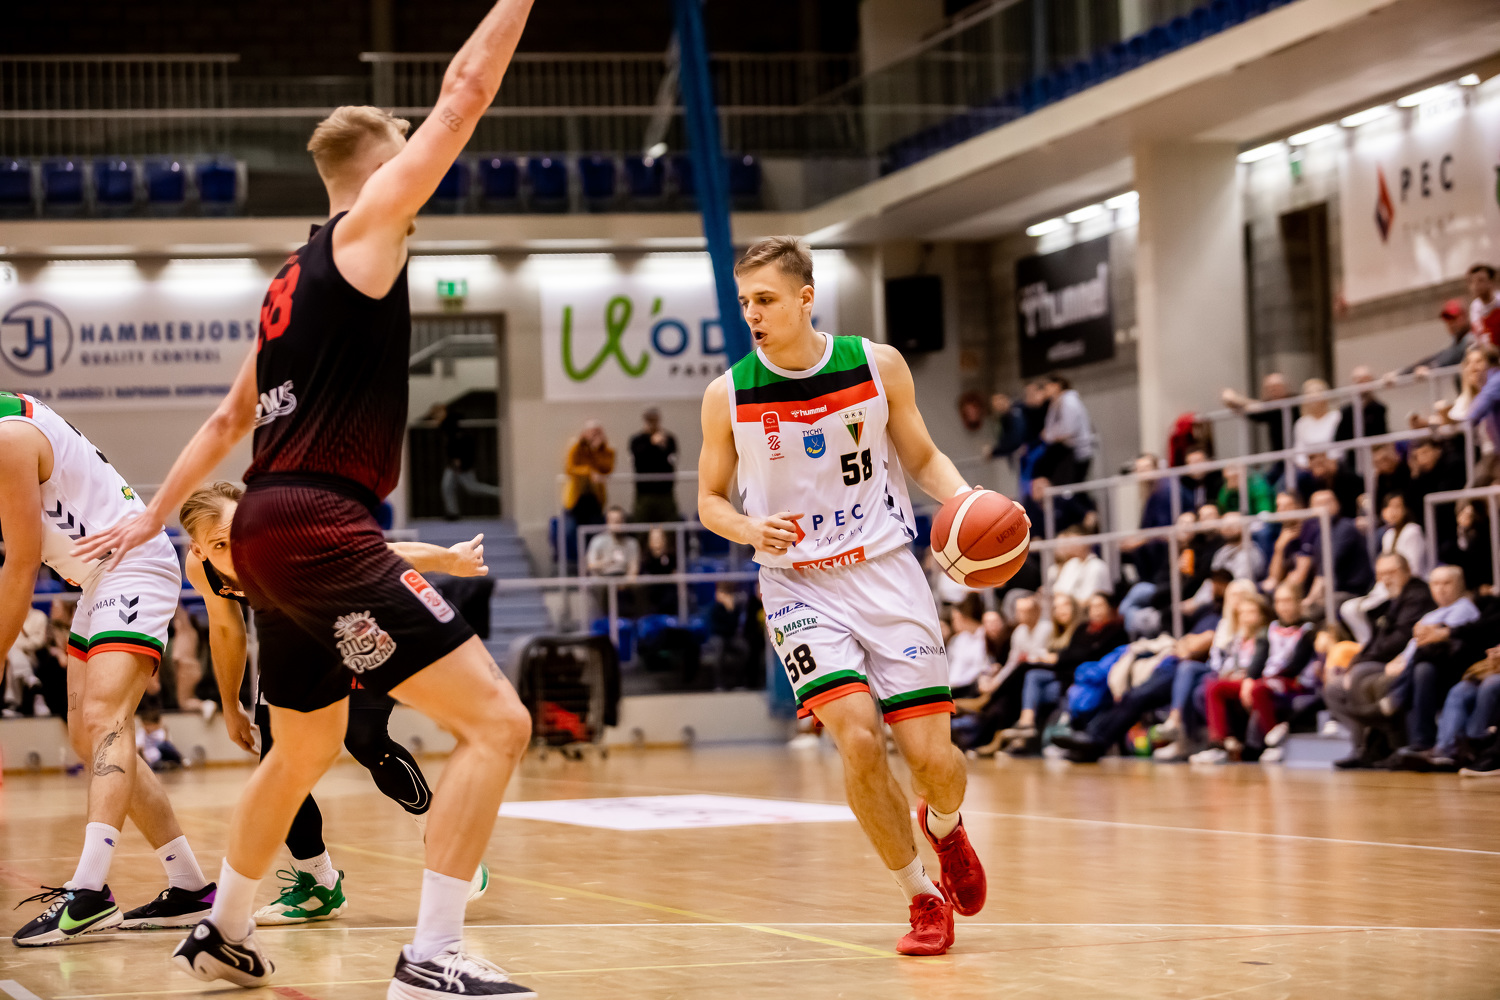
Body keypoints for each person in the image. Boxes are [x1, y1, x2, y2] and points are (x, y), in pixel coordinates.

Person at [78, 5, 541, 993]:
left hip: (264, 524)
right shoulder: (368, 233)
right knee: (500, 724)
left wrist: (151, 516)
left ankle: (223, 930)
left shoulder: (290, 281)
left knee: (304, 746)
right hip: (321, 522)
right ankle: (431, 957)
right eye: (407, 155)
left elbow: (225, 420)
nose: (422, 168)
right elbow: (465, 93)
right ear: (380, 171)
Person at [697, 236, 1003, 956]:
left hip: (887, 572)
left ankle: (945, 827)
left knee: (933, 760)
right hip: (797, 585)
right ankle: (920, 897)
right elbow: (708, 500)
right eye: (745, 302)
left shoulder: (876, 364)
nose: (753, 314)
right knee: (859, 739)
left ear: (806, 298)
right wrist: (747, 527)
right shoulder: (728, 394)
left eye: (766, 299)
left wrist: (968, 503)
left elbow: (922, 456)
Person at [176, 482, 492, 924]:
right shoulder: (201, 569)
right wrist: (231, 704)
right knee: (279, 766)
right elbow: (227, 629)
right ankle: (318, 885)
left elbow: (380, 553)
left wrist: (448, 560)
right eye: (219, 545)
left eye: (238, 532)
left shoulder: (285, 538)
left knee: (364, 737)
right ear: (198, 549)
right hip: (293, 639)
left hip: (358, 619)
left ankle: (448, 840)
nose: (236, 550)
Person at [1, 393, 217, 946]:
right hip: (99, 578)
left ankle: (89, 892)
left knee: (104, 719)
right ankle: (190, 886)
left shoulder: (9, 439)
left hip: (131, 566)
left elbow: (21, 565)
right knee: (85, 734)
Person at [1325, 553, 1436, 769]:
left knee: (1359, 677)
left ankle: (1381, 746)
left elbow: (1398, 640)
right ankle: (1364, 745)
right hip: (1382, 661)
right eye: (1381, 574)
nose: (1386, 579)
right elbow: (1374, 640)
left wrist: (1359, 666)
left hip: (1401, 662)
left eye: (1391, 572)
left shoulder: (1417, 596)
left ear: (1407, 571)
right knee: (1333, 688)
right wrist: (1353, 664)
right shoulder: (1393, 598)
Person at [1381, 566, 1481, 768]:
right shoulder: (1431, 615)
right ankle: (1394, 742)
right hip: (1425, 664)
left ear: (1460, 585)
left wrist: (1424, 639)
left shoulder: (1464, 608)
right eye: (1436, 584)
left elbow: (1434, 642)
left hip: (1453, 668)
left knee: (1422, 669)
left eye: (1447, 583)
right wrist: (1398, 661)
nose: (1441, 589)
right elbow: (1413, 646)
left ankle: (1420, 738)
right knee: (1417, 668)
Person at [1004, 592, 1126, 754]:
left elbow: (1084, 655)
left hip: (1089, 679)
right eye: (1092, 607)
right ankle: (1025, 725)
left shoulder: (1115, 630)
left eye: (1099, 606)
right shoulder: (1083, 628)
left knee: (1029, 678)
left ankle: (1029, 731)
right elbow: (1075, 654)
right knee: (1028, 677)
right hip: (1070, 676)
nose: (1095, 610)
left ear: (1111, 608)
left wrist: (1057, 658)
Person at [1341, 492, 1431, 645]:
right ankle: (1366, 644)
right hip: (1387, 587)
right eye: (1388, 507)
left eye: (1397, 507)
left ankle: (1375, 645)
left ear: (1405, 509)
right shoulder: (1388, 534)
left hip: (1411, 586)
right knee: (1348, 609)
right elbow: (1384, 565)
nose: (1392, 512)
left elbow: (1412, 569)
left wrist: (1391, 584)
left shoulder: (1412, 531)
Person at [431, 401, 500, 520]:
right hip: (455, 463)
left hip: (461, 462)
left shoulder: (451, 424)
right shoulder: (448, 425)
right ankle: (452, 512)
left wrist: (458, 460)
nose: (436, 417)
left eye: (437, 414)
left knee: (472, 487)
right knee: (447, 486)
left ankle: (501, 493)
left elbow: (459, 444)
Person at [1035, 374, 1094, 485]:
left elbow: (1068, 430)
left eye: (1047, 386)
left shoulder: (1068, 401)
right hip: (1069, 452)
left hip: (1077, 452)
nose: (1045, 390)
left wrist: (1049, 435)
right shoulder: (1056, 402)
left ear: (1056, 386)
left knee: (1075, 488)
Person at [1221, 372, 1298, 456]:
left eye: (1275, 387)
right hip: (1280, 456)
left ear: (1285, 387)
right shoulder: (1270, 409)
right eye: (1269, 389)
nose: (1272, 391)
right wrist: (1231, 401)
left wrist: (1235, 398)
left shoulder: (1296, 403)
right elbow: (1252, 410)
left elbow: (1261, 408)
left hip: (1298, 454)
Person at [1392, 299, 1472, 377]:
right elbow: (1437, 357)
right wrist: (1401, 373)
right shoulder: (1456, 341)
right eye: (1447, 320)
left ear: (1465, 316)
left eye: (1454, 319)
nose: (1450, 324)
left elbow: (1451, 357)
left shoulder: (1471, 338)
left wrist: (1431, 368)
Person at [629, 407, 680, 523]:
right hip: (644, 492)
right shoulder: (637, 440)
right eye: (649, 420)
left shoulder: (668, 439)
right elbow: (639, 460)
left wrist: (662, 445)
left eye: (654, 419)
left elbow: (671, 460)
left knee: (670, 524)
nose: (652, 423)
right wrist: (651, 443)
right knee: (641, 524)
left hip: (665, 491)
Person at [563, 420, 615, 528]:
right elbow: (569, 469)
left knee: (595, 529)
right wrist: (588, 472)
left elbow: (607, 469)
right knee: (571, 529)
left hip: (595, 496)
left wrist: (596, 450)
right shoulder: (576, 448)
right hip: (576, 496)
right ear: (585, 433)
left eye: (598, 433)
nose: (595, 436)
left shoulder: (606, 450)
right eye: (592, 433)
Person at [1046, 525, 1113, 605]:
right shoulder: (1071, 564)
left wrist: (1070, 603)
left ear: (1086, 543)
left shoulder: (1098, 566)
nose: (1071, 546)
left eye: (1074, 542)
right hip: (1068, 607)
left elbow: (1091, 598)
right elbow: (1058, 590)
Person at [1335, 365, 1388, 448]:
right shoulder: (1346, 411)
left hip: (1373, 452)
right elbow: (1339, 439)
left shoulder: (1379, 408)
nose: (1362, 385)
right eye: (1358, 381)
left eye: (1365, 380)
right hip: (1352, 453)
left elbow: (1381, 436)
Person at [1292, 379, 1342, 467]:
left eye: (1318, 391)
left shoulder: (1336, 417)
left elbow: (1341, 446)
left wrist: (1329, 462)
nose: (1313, 396)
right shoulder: (1301, 423)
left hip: (1333, 465)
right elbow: (1299, 452)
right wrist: (1308, 465)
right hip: (1309, 467)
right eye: (1309, 393)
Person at [1469, 263, 1500, 346]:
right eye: (1472, 281)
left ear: (1491, 282)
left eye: (1481, 280)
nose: (1476, 285)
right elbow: (1479, 335)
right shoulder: (1474, 307)